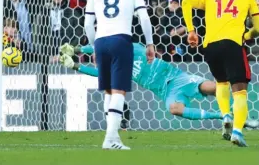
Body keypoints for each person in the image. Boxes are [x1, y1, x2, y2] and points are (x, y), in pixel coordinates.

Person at [59, 43, 259, 129]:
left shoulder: (131, 48)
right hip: (166, 91)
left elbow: (100, 46)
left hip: (177, 77)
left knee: (213, 88)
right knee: (174, 109)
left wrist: (78, 49)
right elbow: (98, 73)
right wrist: (76, 65)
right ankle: (226, 117)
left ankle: (242, 112)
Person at [182, 0, 259, 147]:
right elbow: (257, 28)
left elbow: (186, 2)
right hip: (232, 44)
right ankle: (238, 132)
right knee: (239, 91)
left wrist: (191, 32)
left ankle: (225, 115)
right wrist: (246, 36)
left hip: (210, 46)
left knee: (221, 82)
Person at [84, 0, 155, 150]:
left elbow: (88, 25)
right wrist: (150, 43)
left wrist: (93, 48)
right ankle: (110, 138)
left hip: (100, 41)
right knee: (119, 91)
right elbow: (144, 17)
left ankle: (112, 137)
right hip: (121, 40)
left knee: (108, 89)